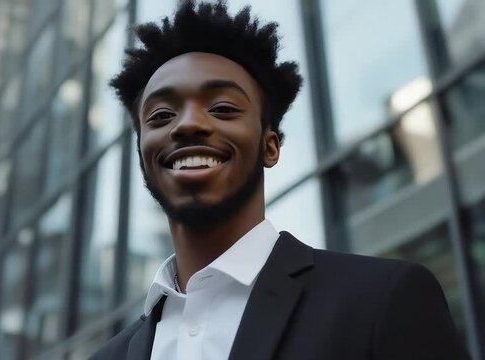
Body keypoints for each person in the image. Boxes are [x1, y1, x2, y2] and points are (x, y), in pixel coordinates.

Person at [91, 1, 469, 359]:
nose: (188, 123)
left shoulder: (382, 300)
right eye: (160, 116)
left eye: (222, 108)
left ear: (270, 147)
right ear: (143, 153)